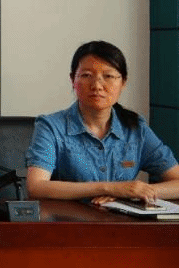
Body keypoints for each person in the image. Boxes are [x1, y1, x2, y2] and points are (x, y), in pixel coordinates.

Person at [26, 40, 179, 204]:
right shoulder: (51, 127)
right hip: (69, 219)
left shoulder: (136, 128)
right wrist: (109, 188)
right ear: (72, 80)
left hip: (121, 219)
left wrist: (136, 192)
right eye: (87, 75)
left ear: (123, 82)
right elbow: (36, 186)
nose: (97, 85)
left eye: (108, 76)